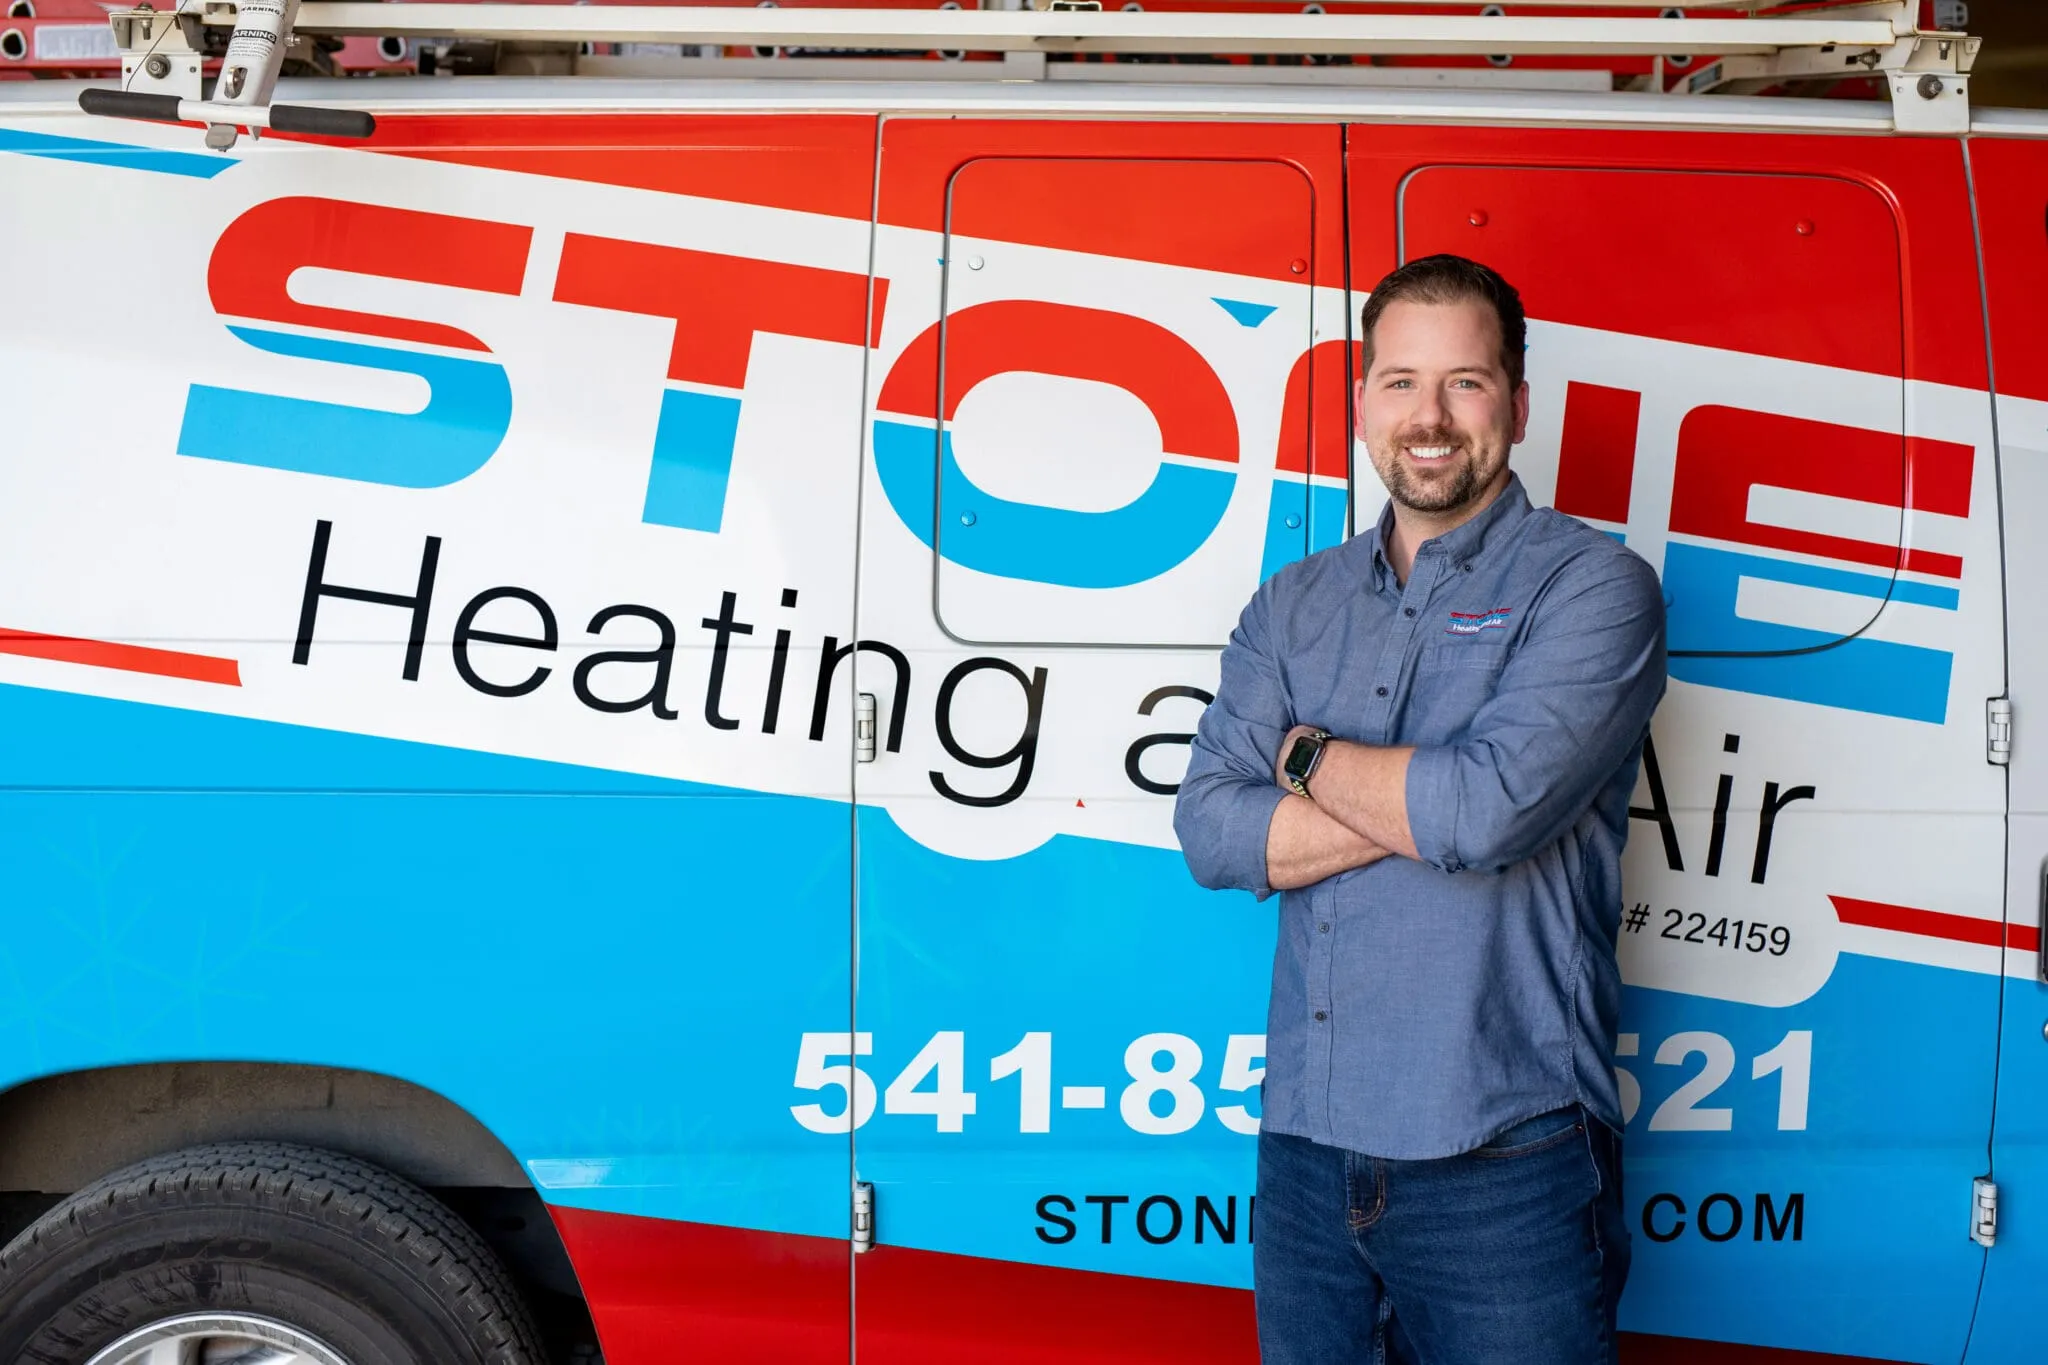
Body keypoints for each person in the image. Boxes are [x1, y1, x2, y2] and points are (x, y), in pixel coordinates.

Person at [1173, 254, 1666, 1365]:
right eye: (1400, 382)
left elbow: (1485, 814)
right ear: (1362, 404)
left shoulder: (1593, 587)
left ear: (1517, 406)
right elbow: (1210, 831)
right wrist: (1422, 799)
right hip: (1305, 1155)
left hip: (1506, 1157)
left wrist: (1301, 757)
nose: (1429, 418)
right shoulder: (1293, 603)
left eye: (1465, 382)